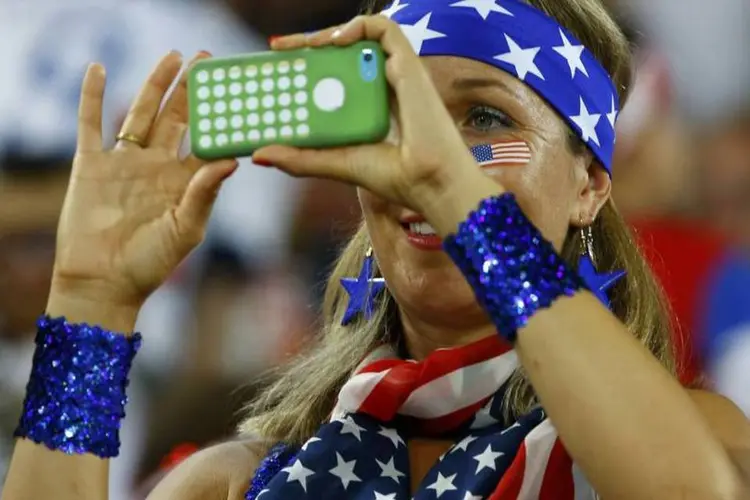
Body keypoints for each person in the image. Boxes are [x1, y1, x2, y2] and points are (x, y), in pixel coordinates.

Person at [3, 1, 750, 500]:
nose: (429, 155)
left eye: (484, 117)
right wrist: (89, 303)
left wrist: (462, 198)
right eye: (398, 119)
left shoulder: (687, 441)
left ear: (589, 183)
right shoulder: (235, 481)